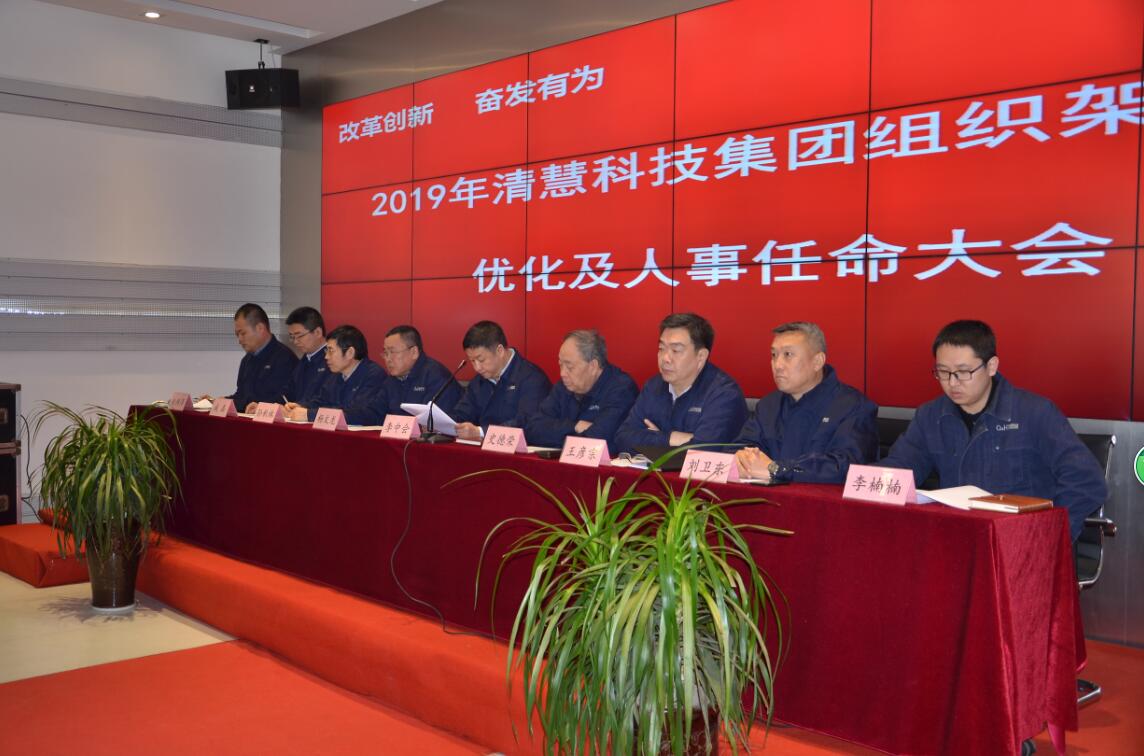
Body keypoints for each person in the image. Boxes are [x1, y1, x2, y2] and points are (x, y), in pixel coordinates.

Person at [881, 319, 1106, 541]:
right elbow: (898, 469)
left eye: (963, 372)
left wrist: (1047, 535)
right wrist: (865, 480)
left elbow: (1087, 480)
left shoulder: (1034, 413)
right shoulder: (930, 416)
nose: (952, 383)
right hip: (958, 540)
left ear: (991, 366)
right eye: (943, 372)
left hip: (1021, 544)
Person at [735, 322, 878, 483]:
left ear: (817, 361)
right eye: (774, 355)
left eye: (788, 354)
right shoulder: (768, 405)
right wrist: (742, 459)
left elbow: (846, 466)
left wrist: (777, 469)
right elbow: (740, 447)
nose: (777, 365)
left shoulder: (854, 407)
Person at [614, 313, 747, 454]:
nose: (665, 358)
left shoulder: (723, 394)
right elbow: (622, 438)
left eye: (675, 350)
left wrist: (652, 440)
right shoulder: (653, 386)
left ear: (701, 356)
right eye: (661, 348)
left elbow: (703, 451)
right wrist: (671, 438)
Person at [524, 330, 638, 453]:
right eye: (560, 365)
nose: (562, 373)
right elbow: (533, 429)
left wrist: (555, 433)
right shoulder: (564, 386)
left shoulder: (621, 389)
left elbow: (597, 440)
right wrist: (575, 426)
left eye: (569, 367)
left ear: (593, 366)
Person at [452, 321, 550, 441]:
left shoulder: (532, 378)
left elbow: (528, 424)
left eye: (481, 360)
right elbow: (462, 414)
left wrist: (481, 432)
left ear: (500, 351)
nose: (477, 368)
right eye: (472, 361)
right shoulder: (479, 381)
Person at [284, 325, 387, 425]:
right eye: (326, 351)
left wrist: (310, 415)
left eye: (331, 351)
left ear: (350, 353)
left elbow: (358, 414)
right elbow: (320, 401)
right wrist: (301, 407)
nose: (326, 357)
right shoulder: (336, 375)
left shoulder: (374, 375)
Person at [226, 303, 297, 413]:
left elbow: (284, 399)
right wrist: (219, 402)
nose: (239, 340)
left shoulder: (284, 358)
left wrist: (258, 407)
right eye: (237, 335)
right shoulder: (246, 360)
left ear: (260, 328)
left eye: (243, 333)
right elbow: (241, 395)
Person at [380, 325, 462, 416]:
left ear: (414, 352)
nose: (388, 359)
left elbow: (434, 419)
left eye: (392, 352)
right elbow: (375, 410)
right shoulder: (392, 380)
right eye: (385, 353)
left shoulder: (437, 376)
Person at [284, 306, 330, 407]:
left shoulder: (333, 361)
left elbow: (327, 399)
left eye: (299, 336)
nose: (295, 342)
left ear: (318, 332)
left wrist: (303, 408)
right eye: (292, 337)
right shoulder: (304, 361)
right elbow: (288, 394)